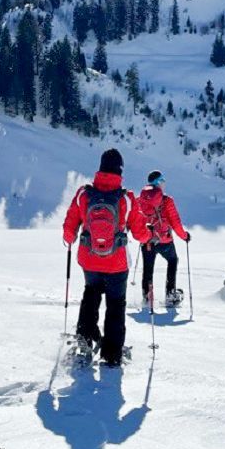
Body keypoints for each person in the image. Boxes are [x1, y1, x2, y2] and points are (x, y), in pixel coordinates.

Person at [62, 148, 151, 367]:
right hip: (117, 263)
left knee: (91, 295)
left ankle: (84, 339)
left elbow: (69, 226)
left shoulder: (85, 193)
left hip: (89, 259)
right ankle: (112, 353)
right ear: (120, 170)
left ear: (100, 168)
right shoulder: (127, 198)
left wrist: (70, 237)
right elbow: (139, 231)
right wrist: (149, 235)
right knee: (115, 304)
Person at [136, 170, 190, 308]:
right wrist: (184, 236)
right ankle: (170, 295)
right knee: (172, 260)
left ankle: (147, 298)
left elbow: (135, 220)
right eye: (162, 181)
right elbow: (175, 222)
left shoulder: (140, 200)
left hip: (147, 240)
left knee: (148, 269)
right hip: (164, 240)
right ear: (158, 183)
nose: (164, 184)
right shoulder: (167, 201)